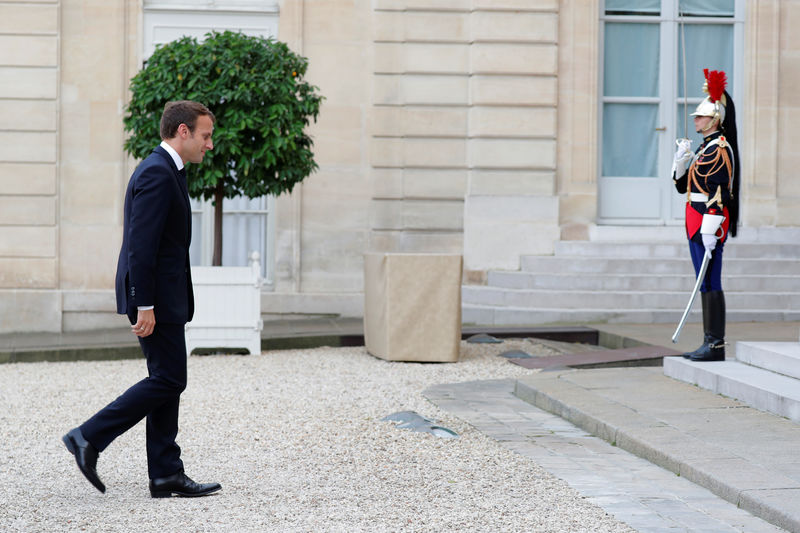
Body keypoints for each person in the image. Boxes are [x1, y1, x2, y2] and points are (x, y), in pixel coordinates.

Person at [63, 100, 221, 498]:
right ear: (182, 132)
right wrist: (145, 303)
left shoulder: (169, 171)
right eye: (205, 136)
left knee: (166, 380)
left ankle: (166, 472)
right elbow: (141, 246)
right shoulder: (156, 172)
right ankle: (87, 437)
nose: (210, 144)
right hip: (155, 299)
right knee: (169, 378)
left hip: (165, 297)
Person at [672, 69, 740, 362]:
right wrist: (680, 161)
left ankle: (715, 345)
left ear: (714, 120)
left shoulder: (720, 149)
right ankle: (708, 342)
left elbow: (720, 191)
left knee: (710, 280)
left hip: (707, 223)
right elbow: (680, 186)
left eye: (700, 117)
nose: (695, 121)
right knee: (704, 281)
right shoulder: (704, 148)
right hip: (695, 220)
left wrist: (711, 229)